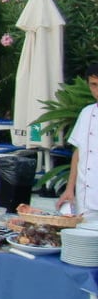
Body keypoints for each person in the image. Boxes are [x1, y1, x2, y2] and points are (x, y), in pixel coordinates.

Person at [58, 62, 98, 218]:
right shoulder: (86, 113)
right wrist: (69, 189)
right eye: (94, 85)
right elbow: (79, 151)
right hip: (84, 199)